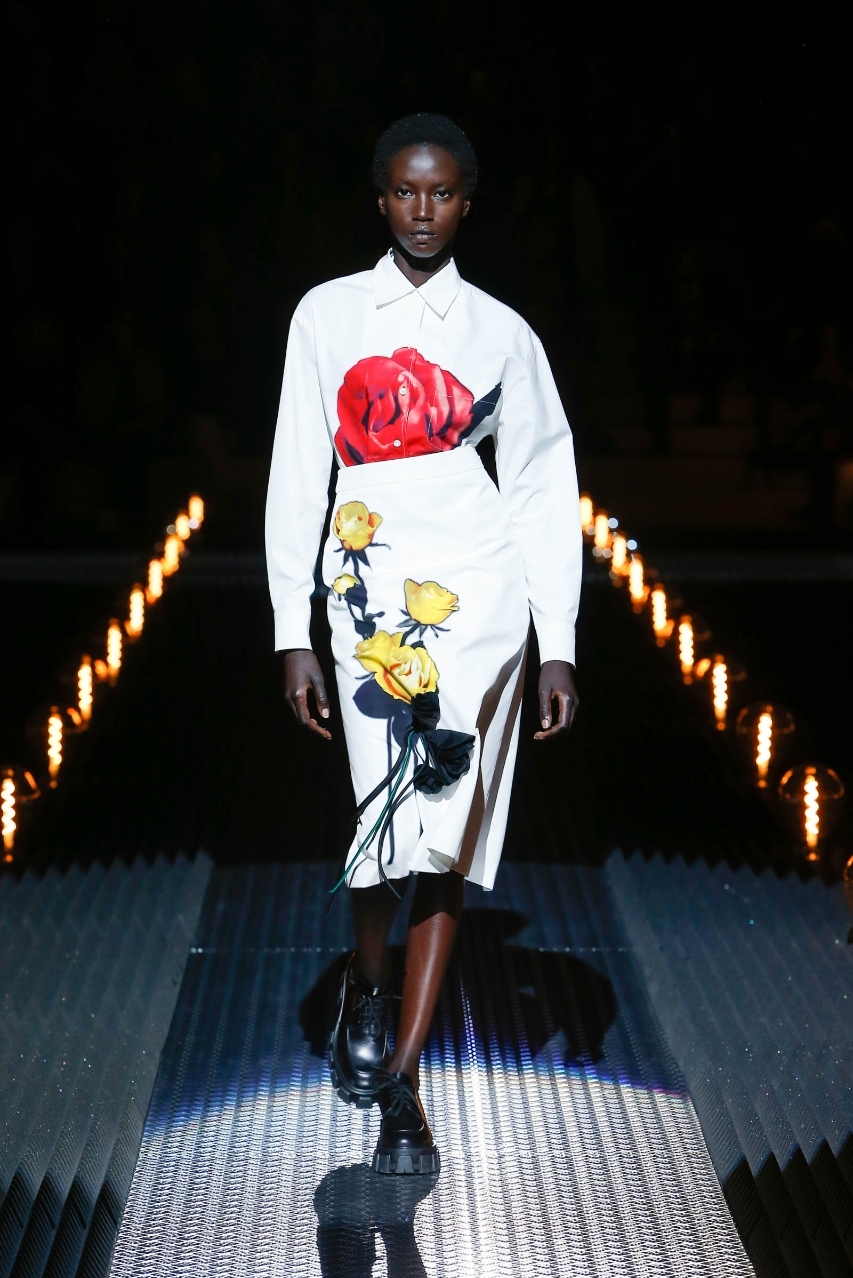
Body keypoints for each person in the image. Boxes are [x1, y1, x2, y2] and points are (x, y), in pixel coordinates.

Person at [265, 113, 582, 1176]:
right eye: (405, 190)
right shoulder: (327, 314)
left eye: (441, 192)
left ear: (466, 202)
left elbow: (539, 484)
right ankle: (368, 979)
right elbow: (297, 471)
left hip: (478, 595)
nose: (422, 209)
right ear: (380, 197)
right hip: (365, 585)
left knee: (445, 825)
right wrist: (290, 628)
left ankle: (402, 1075)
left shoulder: (501, 332)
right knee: (381, 811)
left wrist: (555, 640)